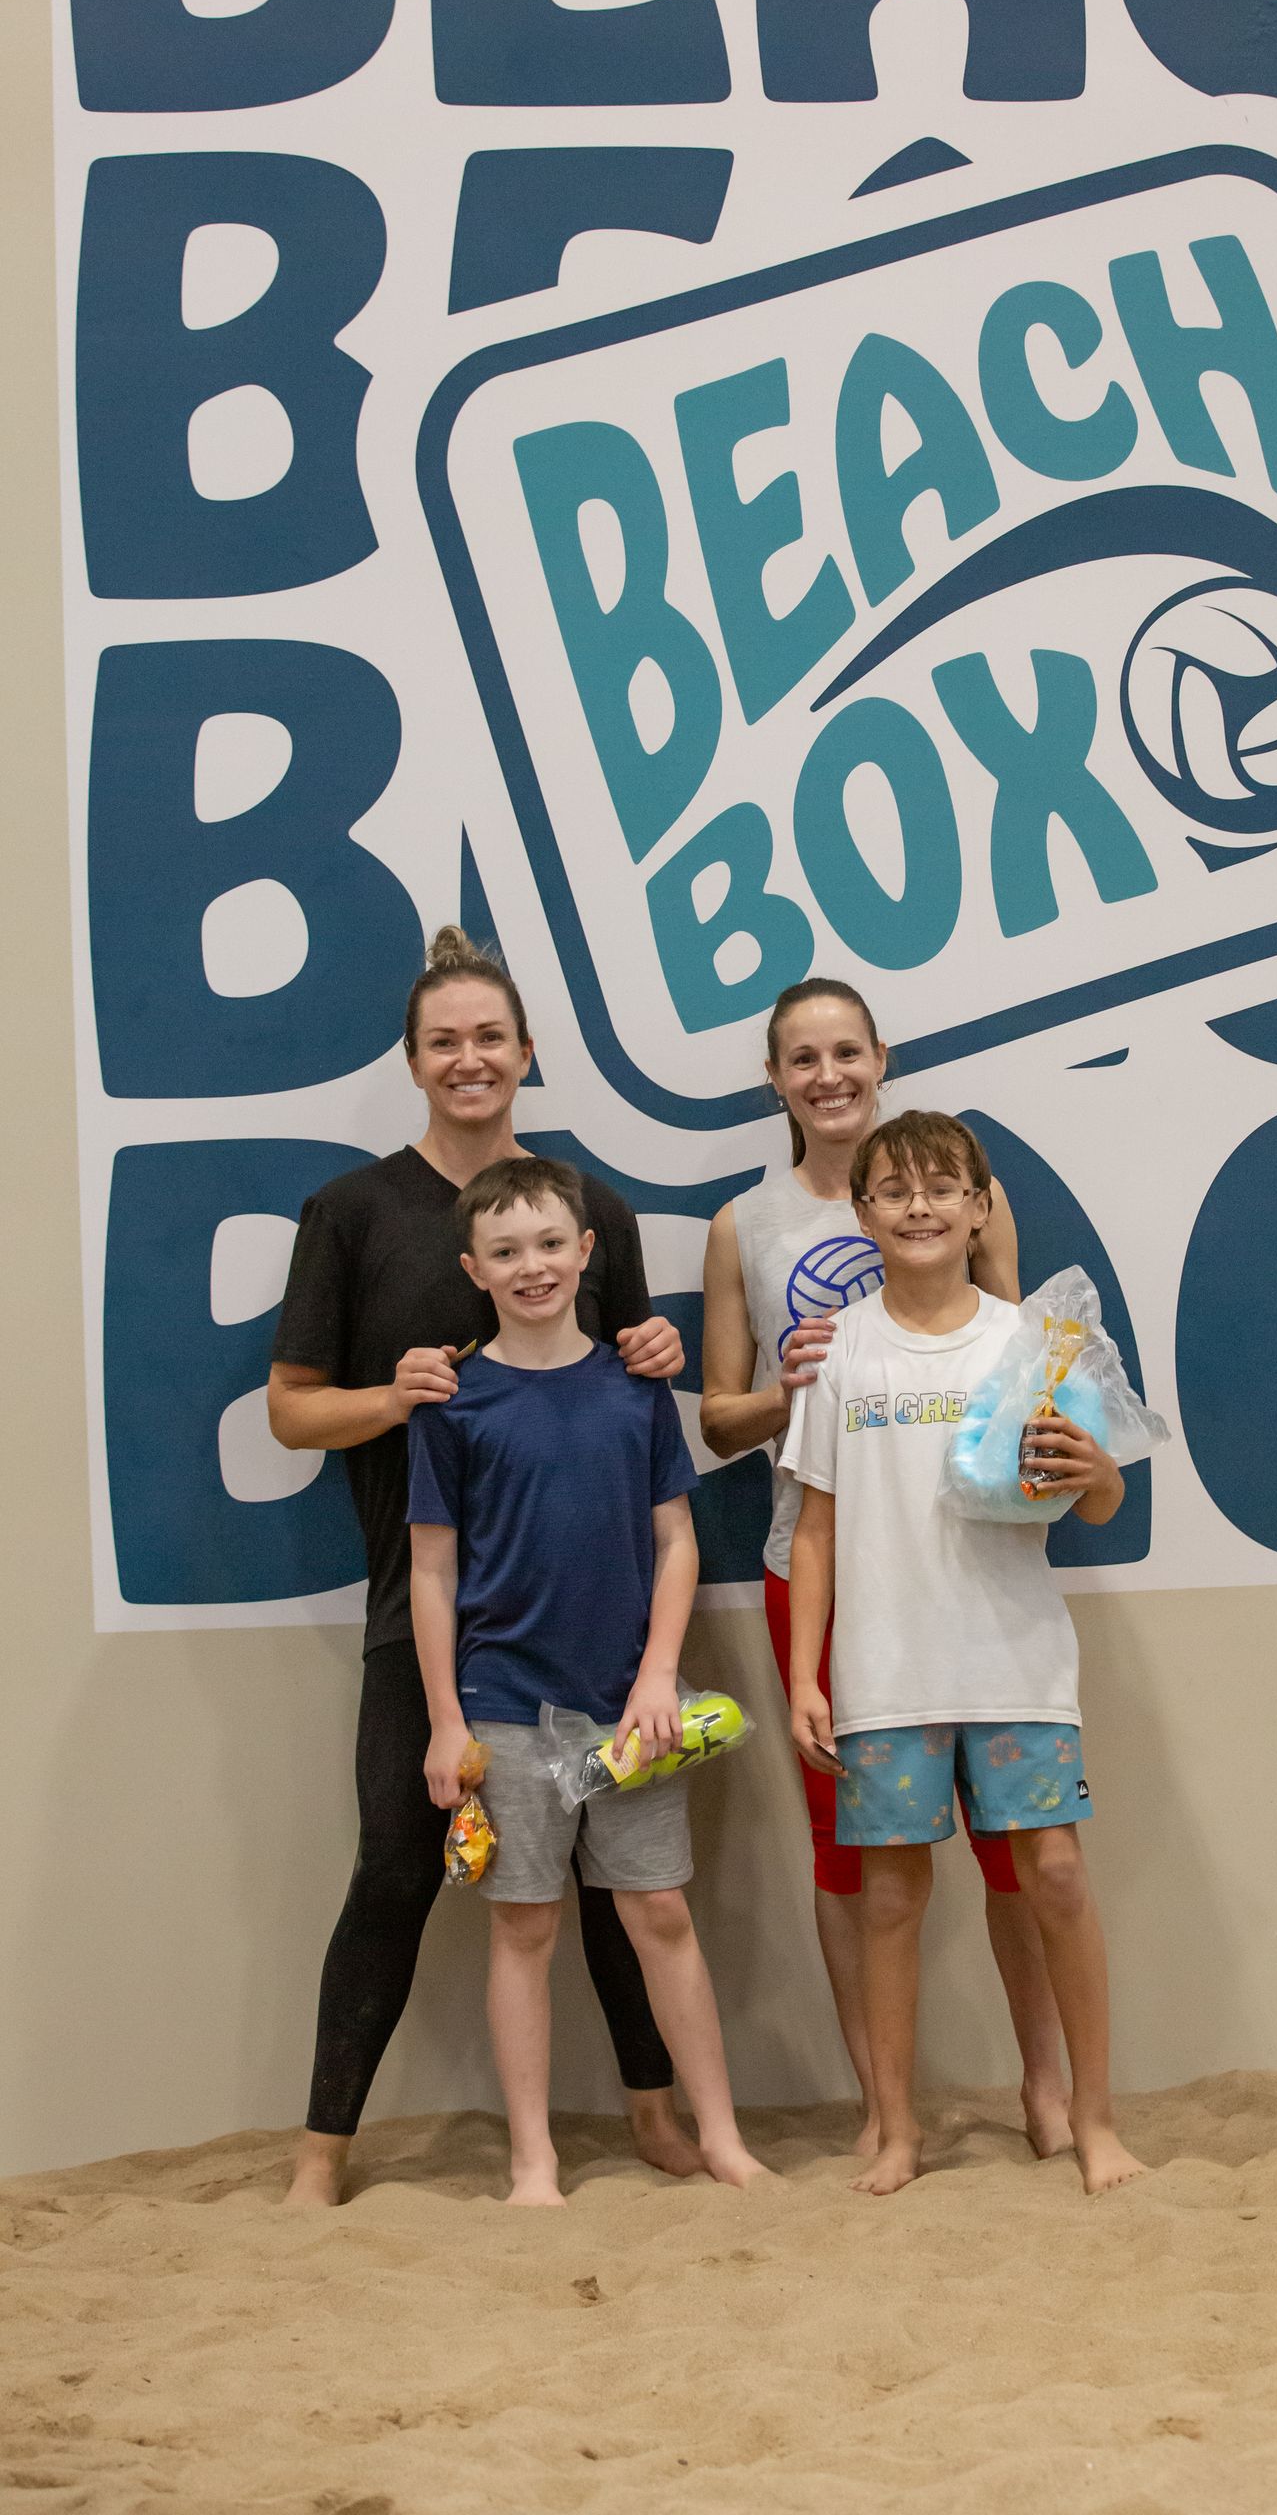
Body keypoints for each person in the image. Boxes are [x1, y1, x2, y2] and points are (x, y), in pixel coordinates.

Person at [268, 927, 698, 2207]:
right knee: (396, 1860)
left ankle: (659, 2119)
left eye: (489, 1038)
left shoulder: (587, 1205)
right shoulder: (352, 1213)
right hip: (434, 1613)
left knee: (618, 1872)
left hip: (601, 1615)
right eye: (443, 1041)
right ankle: (318, 2156)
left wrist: (665, 1349)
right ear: (413, 1061)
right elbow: (291, 1412)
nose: (469, 1059)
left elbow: (635, 1386)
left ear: (526, 1055)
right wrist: (387, 1401)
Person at [699, 979, 1071, 2158]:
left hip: (964, 1559)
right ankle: (881, 2101)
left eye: (846, 1052)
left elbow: (1022, 1381)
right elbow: (719, 1420)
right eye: (801, 1059)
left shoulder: (968, 1192)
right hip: (813, 1560)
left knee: (1017, 1843)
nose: (827, 1076)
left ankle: (1047, 2086)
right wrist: (788, 1388)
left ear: (880, 1058)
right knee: (847, 1848)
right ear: (775, 1081)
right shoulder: (742, 1226)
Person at [783, 1109, 1146, 2199]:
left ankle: (1093, 2119)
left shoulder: (1027, 1343)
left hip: (1014, 1662)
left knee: (1060, 1878)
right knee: (890, 1898)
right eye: (894, 1192)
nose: (920, 1207)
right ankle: (894, 2130)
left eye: (944, 1188)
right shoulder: (841, 1347)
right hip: (885, 1675)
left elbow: (1101, 1502)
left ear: (981, 1206)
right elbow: (814, 1526)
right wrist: (805, 1673)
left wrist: (1095, 1468)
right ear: (863, 1213)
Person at [411, 1155, 764, 2203]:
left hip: (632, 1711)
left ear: (587, 1253)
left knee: (660, 1915)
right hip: (506, 1708)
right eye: (508, 1252)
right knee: (524, 1925)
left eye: (551, 1245)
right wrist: (443, 1722)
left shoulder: (637, 1387)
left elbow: (677, 1544)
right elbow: (431, 1572)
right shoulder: (452, 1403)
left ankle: (725, 2138)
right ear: (475, 1268)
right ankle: (533, 2159)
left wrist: (660, 1675)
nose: (533, 1267)